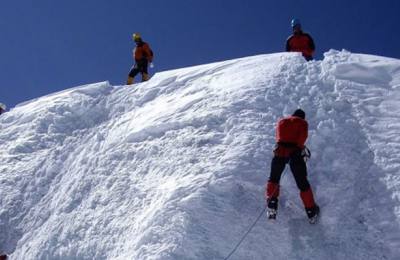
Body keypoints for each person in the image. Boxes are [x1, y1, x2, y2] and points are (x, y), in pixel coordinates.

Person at [265, 109, 319, 222]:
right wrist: (299, 148)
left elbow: (278, 137)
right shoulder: (303, 123)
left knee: (274, 179)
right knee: (302, 183)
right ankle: (311, 212)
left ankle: (272, 207)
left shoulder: (282, 121)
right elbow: (302, 138)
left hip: (279, 152)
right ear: (302, 117)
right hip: (295, 154)